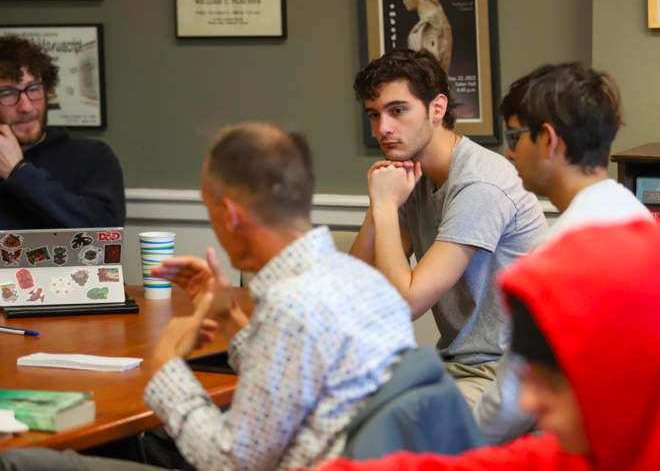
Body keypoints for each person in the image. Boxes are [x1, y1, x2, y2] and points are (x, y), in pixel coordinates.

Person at [0, 122, 416, 470]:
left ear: (231, 214)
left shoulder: (293, 305)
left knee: (20, 463)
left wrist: (164, 367)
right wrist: (229, 314)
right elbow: (292, 381)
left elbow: (229, 461)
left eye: (208, 207)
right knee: (138, 445)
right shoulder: (359, 281)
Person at [317, 219, 660, 470]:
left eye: (551, 382)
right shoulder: (579, 453)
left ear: (623, 374)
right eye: (527, 377)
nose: (528, 401)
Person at [349, 48, 547, 405]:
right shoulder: (410, 176)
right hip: (451, 364)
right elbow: (353, 288)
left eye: (397, 110)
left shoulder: (480, 184)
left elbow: (404, 303)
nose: (383, 128)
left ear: (437, 109)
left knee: (393, 440)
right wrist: (378, 206)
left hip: (505, 372)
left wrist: (384, 204)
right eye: (374, 115)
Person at [475, 63, 653, 443]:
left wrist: (458, 444)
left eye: (515, 136)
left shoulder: (557, 254)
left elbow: (512, 401)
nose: (508, 152)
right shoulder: (638, 218)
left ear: (549, 141)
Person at [0, 35, 125, 229]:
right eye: (7, 93)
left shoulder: (92, 156)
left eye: (33, 89)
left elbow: (104, 232)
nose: (26, 107)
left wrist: (19, 172)